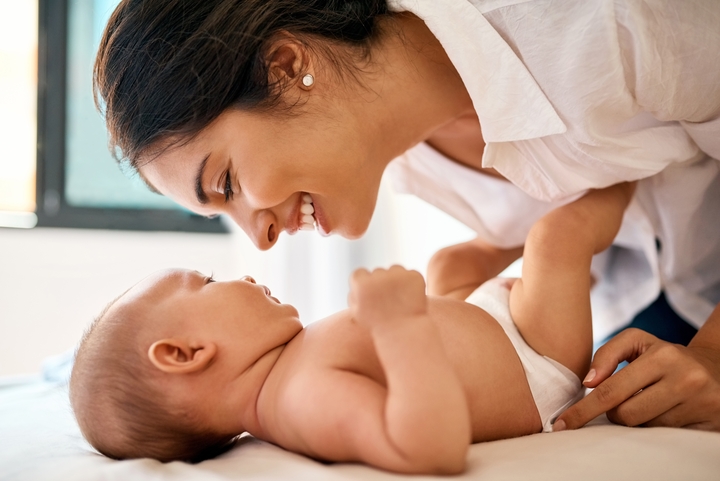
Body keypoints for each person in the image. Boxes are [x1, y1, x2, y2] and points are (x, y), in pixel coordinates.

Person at [93, 1, 720, 431]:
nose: (259, 239)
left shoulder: (601, 23)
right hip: (670, 295)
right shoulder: (401, 160)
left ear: (285, 68)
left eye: (226, 183)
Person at [70, 184, 633, 473]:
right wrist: (401, 325)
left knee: (449, 267)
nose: (239, 274)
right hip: (532, 359)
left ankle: (534, 207)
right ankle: (636, 167)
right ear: (186, 352)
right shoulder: (301, 401)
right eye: (207, 280)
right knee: (555, 242)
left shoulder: (286, 375)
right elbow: (429, 450)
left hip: (487, 327)